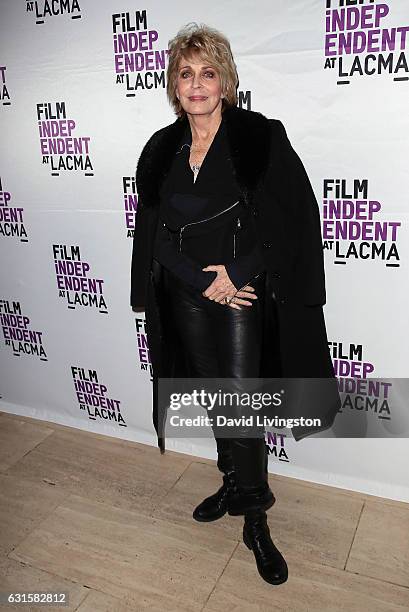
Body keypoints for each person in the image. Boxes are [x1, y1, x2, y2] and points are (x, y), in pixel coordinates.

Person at [130, 23, 341, 586]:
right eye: (185, 73)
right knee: (216, 397)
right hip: (187, 295)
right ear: (174, 85)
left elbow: (290, 216)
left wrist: (236, 274)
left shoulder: (257, 137)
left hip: (242, 294)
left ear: (225, 81)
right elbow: (155, 235)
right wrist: (200, 282)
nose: (196, 84)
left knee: (241, 402)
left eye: (207, 73)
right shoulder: (159, 149)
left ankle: (256, 520)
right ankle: (231, 480)